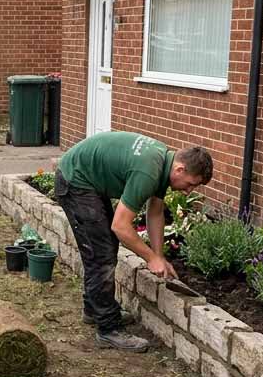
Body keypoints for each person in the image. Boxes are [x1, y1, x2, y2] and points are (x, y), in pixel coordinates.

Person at [55, 133, 213, 352]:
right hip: (75, 181)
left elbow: (155, 212)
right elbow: (120, 226)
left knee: (106, 247)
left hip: (87, 179)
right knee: (101, 255)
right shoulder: (148, 171)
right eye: (190, 184)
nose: (188, 191)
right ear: (180, 169)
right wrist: (150, 258)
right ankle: (108, 330)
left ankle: (94, 310)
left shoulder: (162, 161)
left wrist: (159, 256)